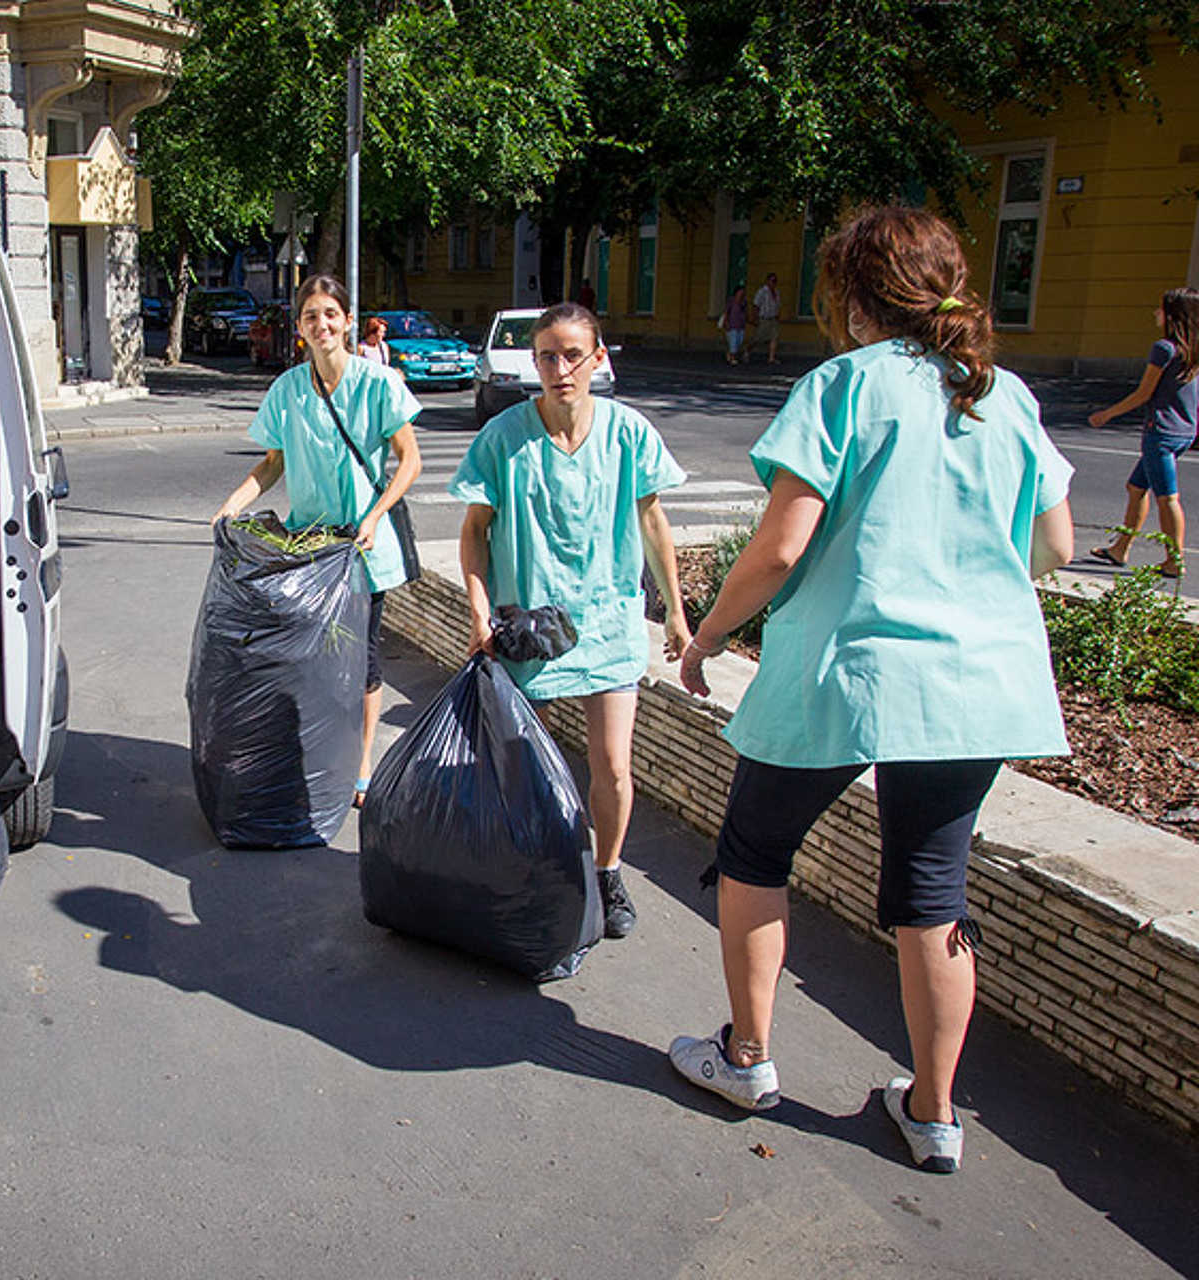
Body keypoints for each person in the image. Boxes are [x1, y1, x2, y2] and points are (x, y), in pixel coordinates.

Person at [670, 208, 1075, 1175]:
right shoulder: (1003, 394)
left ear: (854, 297)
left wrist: (712, 632)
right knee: (933, 889)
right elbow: (1054, 548)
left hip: (845, 672)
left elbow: (779, 547)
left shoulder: (841, 386)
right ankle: (932, 1115)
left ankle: (748, 1056)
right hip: (974, 684)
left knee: (756, 852)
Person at [450, 302, 692, 942]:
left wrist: (674, 610)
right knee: (535, 770)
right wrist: (479, 614)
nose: (561, 368)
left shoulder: (629, 434)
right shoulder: (503, 439)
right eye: (548, 356)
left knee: (612, 766)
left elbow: (652, 523)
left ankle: (608, 873)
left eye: (573, 354)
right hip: (533, 631)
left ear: (598, 358)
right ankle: (545, 869)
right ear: (533, 363)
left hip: (609, 625)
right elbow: (474, 534)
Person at [215, 274, 423, 806]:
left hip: (361, 548)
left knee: (363, 662)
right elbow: (272, 463)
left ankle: (361, 758)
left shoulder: (378, 384)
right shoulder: (287, 389)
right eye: (311, 316)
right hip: (306, 552)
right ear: (300, 327)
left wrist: (376, 515)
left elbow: (410, 460)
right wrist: (232, 505)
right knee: (310, 658)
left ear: (348, 320)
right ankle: (312, 743)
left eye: (331, 313)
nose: (322, 324)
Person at [1085, 287, 1199, 577]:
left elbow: (1143, 393)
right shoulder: (1192, 349)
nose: (1155, 313)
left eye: (1160, 309)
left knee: (1167, 498)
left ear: (1173, 315)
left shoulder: (1164, 349)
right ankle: (1120, 548)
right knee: (1136, 488)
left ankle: (1174, 561)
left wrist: (1107, 414)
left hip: (1160, 433)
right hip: (1185, 431)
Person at [750, 272, 781, 364]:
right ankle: (747, 350)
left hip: (773, 318)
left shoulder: (777, 292)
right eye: (772, 281)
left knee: (774, 337)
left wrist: (778, 315)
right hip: (764, 318)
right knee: (758, 338)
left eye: (775, 281)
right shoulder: (762, 292)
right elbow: (756, 305)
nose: (774, 283)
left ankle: (771, 358)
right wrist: (755, 318)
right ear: (767, 281)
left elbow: (778, 305)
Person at [721, 285, 749, 365]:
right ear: (736, 292)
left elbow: (746, 312)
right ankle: (732, 358)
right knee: (733, 341)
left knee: (739, 342)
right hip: (732, 324)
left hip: (741, 325)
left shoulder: (744, 302)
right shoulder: (731, 301)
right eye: (740, 292)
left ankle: (729, 354)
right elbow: (726, 312)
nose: (742, 293)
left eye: (743, 292)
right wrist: (726, 323)